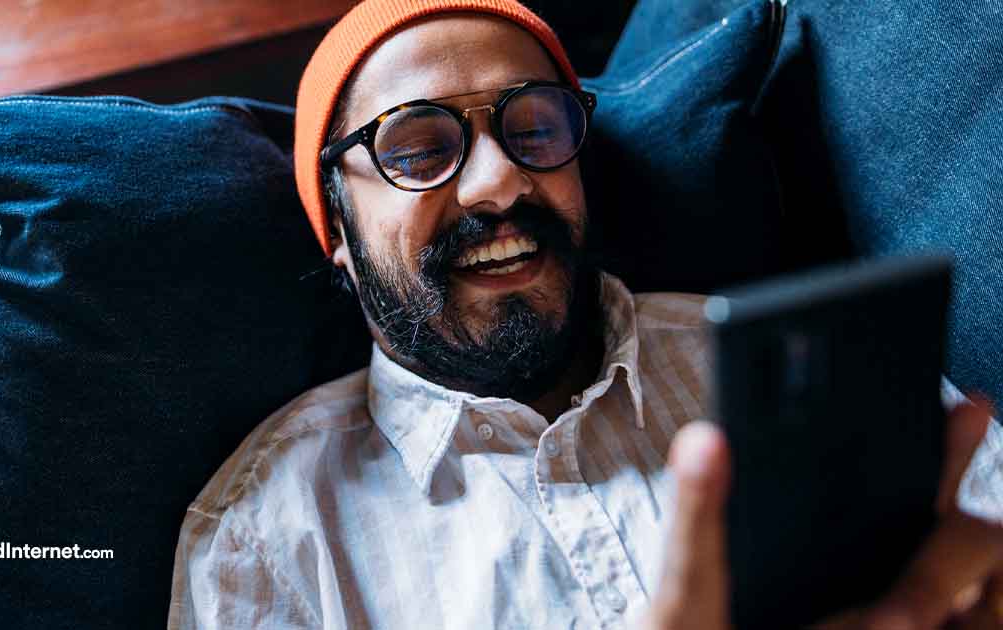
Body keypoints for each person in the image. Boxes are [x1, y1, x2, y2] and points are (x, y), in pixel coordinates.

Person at [168, 1, 1003, 627]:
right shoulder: (267, 541)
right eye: (418, 149)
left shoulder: (817, 372)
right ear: (339, 230)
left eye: (535, 128)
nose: (498, 184)